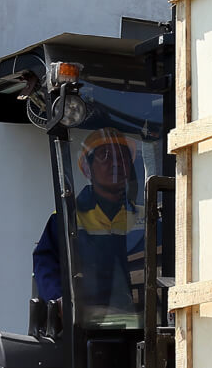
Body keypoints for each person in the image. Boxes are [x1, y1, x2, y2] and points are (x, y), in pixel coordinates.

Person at [32, 129, 146, 317]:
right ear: (87, 168)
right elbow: (46, 265)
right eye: (105, 156)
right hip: (86, 325)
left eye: (122, 157)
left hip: (140, 323)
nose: (116, 163)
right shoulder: (66, 219)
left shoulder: (148, 218)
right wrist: (59, 300)